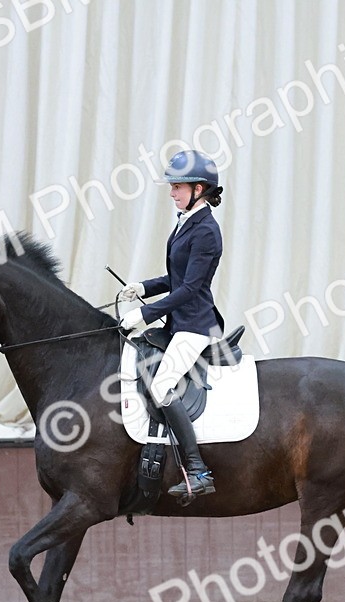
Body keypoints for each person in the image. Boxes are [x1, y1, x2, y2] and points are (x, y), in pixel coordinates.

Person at [119, 150, 226, 503]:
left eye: (177, 187)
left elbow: (191, 288)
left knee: (162, 385)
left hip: (195, 325)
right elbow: (175, 277)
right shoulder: (187, 221)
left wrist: (145, 314)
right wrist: (143, 287)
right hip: (179, 320)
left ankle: (198, 471)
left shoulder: (206, 230)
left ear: (198, 188)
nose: (172, 192)